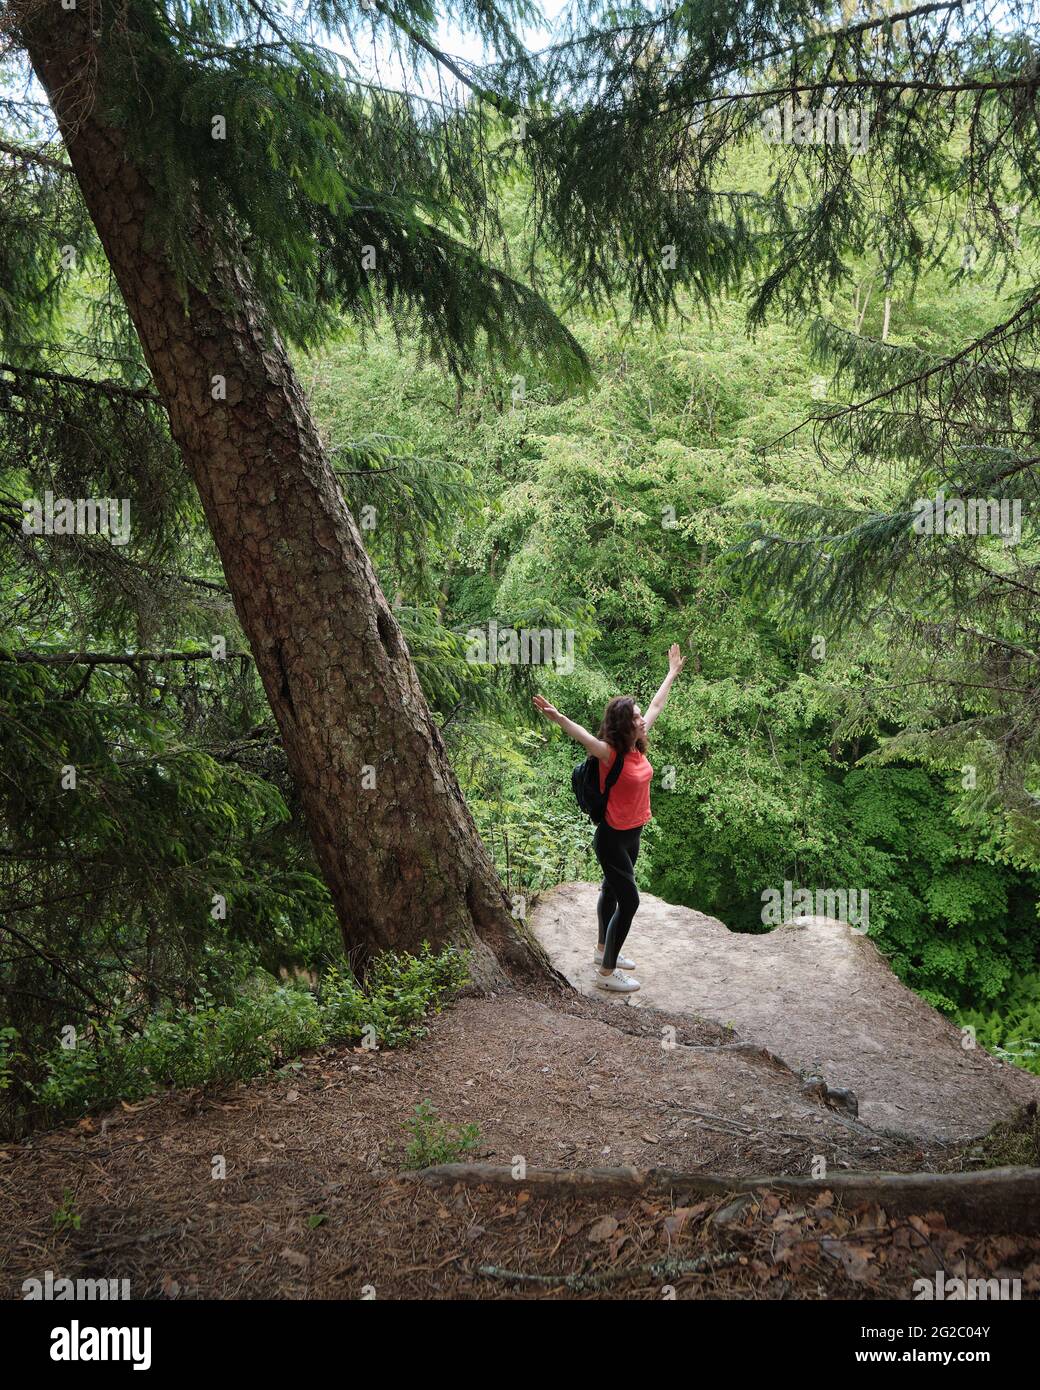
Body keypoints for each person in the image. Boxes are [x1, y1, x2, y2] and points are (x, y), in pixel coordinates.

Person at [533, 643, 686, 992]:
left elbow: (657, 704)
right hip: (612, 837)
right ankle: (606, 973)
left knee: (612, 890)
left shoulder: (637, 745)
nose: (641, 719)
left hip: (633, 832)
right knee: (629, 899)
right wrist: (558, 718)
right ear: (622, 725)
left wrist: (672, 672)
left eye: (639, 716)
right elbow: (583, 737)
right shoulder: (609, 753)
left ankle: (606, 949)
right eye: (634, 717)